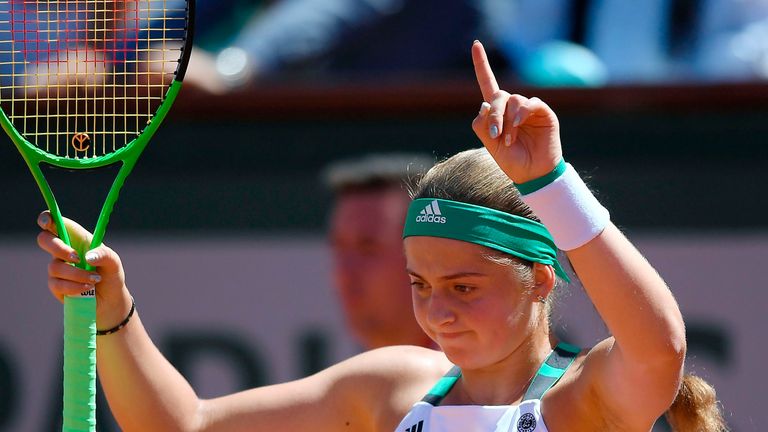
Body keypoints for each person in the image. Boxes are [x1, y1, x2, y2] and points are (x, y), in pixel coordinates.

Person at [36, 41, 726, 431]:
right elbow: (182, 425)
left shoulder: (585, 398)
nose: (438, 312)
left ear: (541, 279)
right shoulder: (394, 385)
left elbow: (659, 343)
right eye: (421, 286)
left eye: (464, 287)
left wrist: (551, 185)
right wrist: (113, 313)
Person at [323, 153, 436, 349]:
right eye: (339, 247)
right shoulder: (357, 375)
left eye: (368, 247)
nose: (343, 275)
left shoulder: (488, 375)